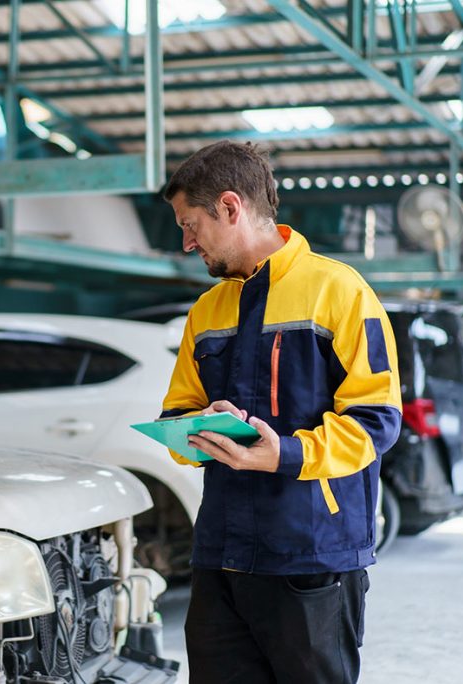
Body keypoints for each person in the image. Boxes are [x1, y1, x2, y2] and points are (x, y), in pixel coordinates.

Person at [160, 140, 402, 684]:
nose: (186, 242)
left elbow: (376, 420)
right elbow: (179, 409)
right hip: (220, 554)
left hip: (311, 554)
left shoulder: (338, 291)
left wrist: (283, 455)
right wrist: (194, 432)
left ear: (229, 206)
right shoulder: (207, 309)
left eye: (190, 223)